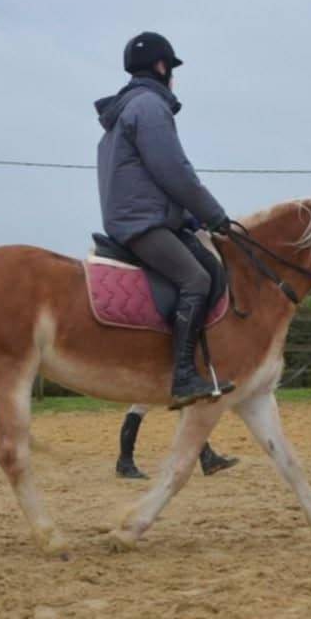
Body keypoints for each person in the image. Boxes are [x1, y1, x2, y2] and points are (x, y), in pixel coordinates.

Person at [95, 31, 234, 409]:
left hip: (146, 218)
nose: (172, 76)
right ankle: (183, 375)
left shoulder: (128, 110)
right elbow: (174, 172)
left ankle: (203, 367)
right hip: (141, 225)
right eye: (171, 68)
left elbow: (153, 180)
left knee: (210, 265)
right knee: (196, 278)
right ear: (161, 67)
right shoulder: (149, 107)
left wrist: (191, 218)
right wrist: (215, 215)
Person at [115, 405, 239, 480]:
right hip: (152, 374)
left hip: (159, 373)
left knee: (186, 407)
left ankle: (207, 457)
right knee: (140, 407)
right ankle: (124, 462)